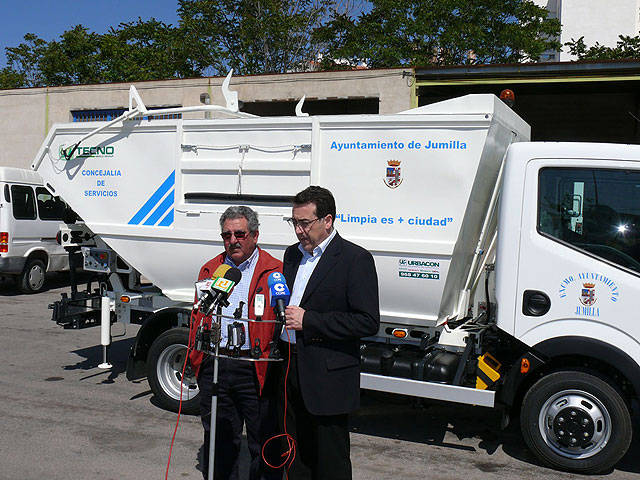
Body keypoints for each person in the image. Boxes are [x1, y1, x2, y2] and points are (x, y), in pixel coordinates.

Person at [278, 186, 380, 480]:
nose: (299, 230)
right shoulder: (292, 255)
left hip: (327, 375)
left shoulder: (354, 259)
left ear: (328, 220)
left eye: (305, 223)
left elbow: (366, 321)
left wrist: (309, 321)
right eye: (294, 222)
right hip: (290, 369)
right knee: (296, 456)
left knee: (330, 461)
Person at [188, 206, 283, 480]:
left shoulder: (273, 269)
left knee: (263, 443)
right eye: (226, 235)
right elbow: (198, 316)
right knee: (219, 442)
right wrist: (199, 362)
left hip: (255, 367)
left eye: (239, 233)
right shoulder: (211, 268)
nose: (233, 240)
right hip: (216, 364)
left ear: (254, 235)